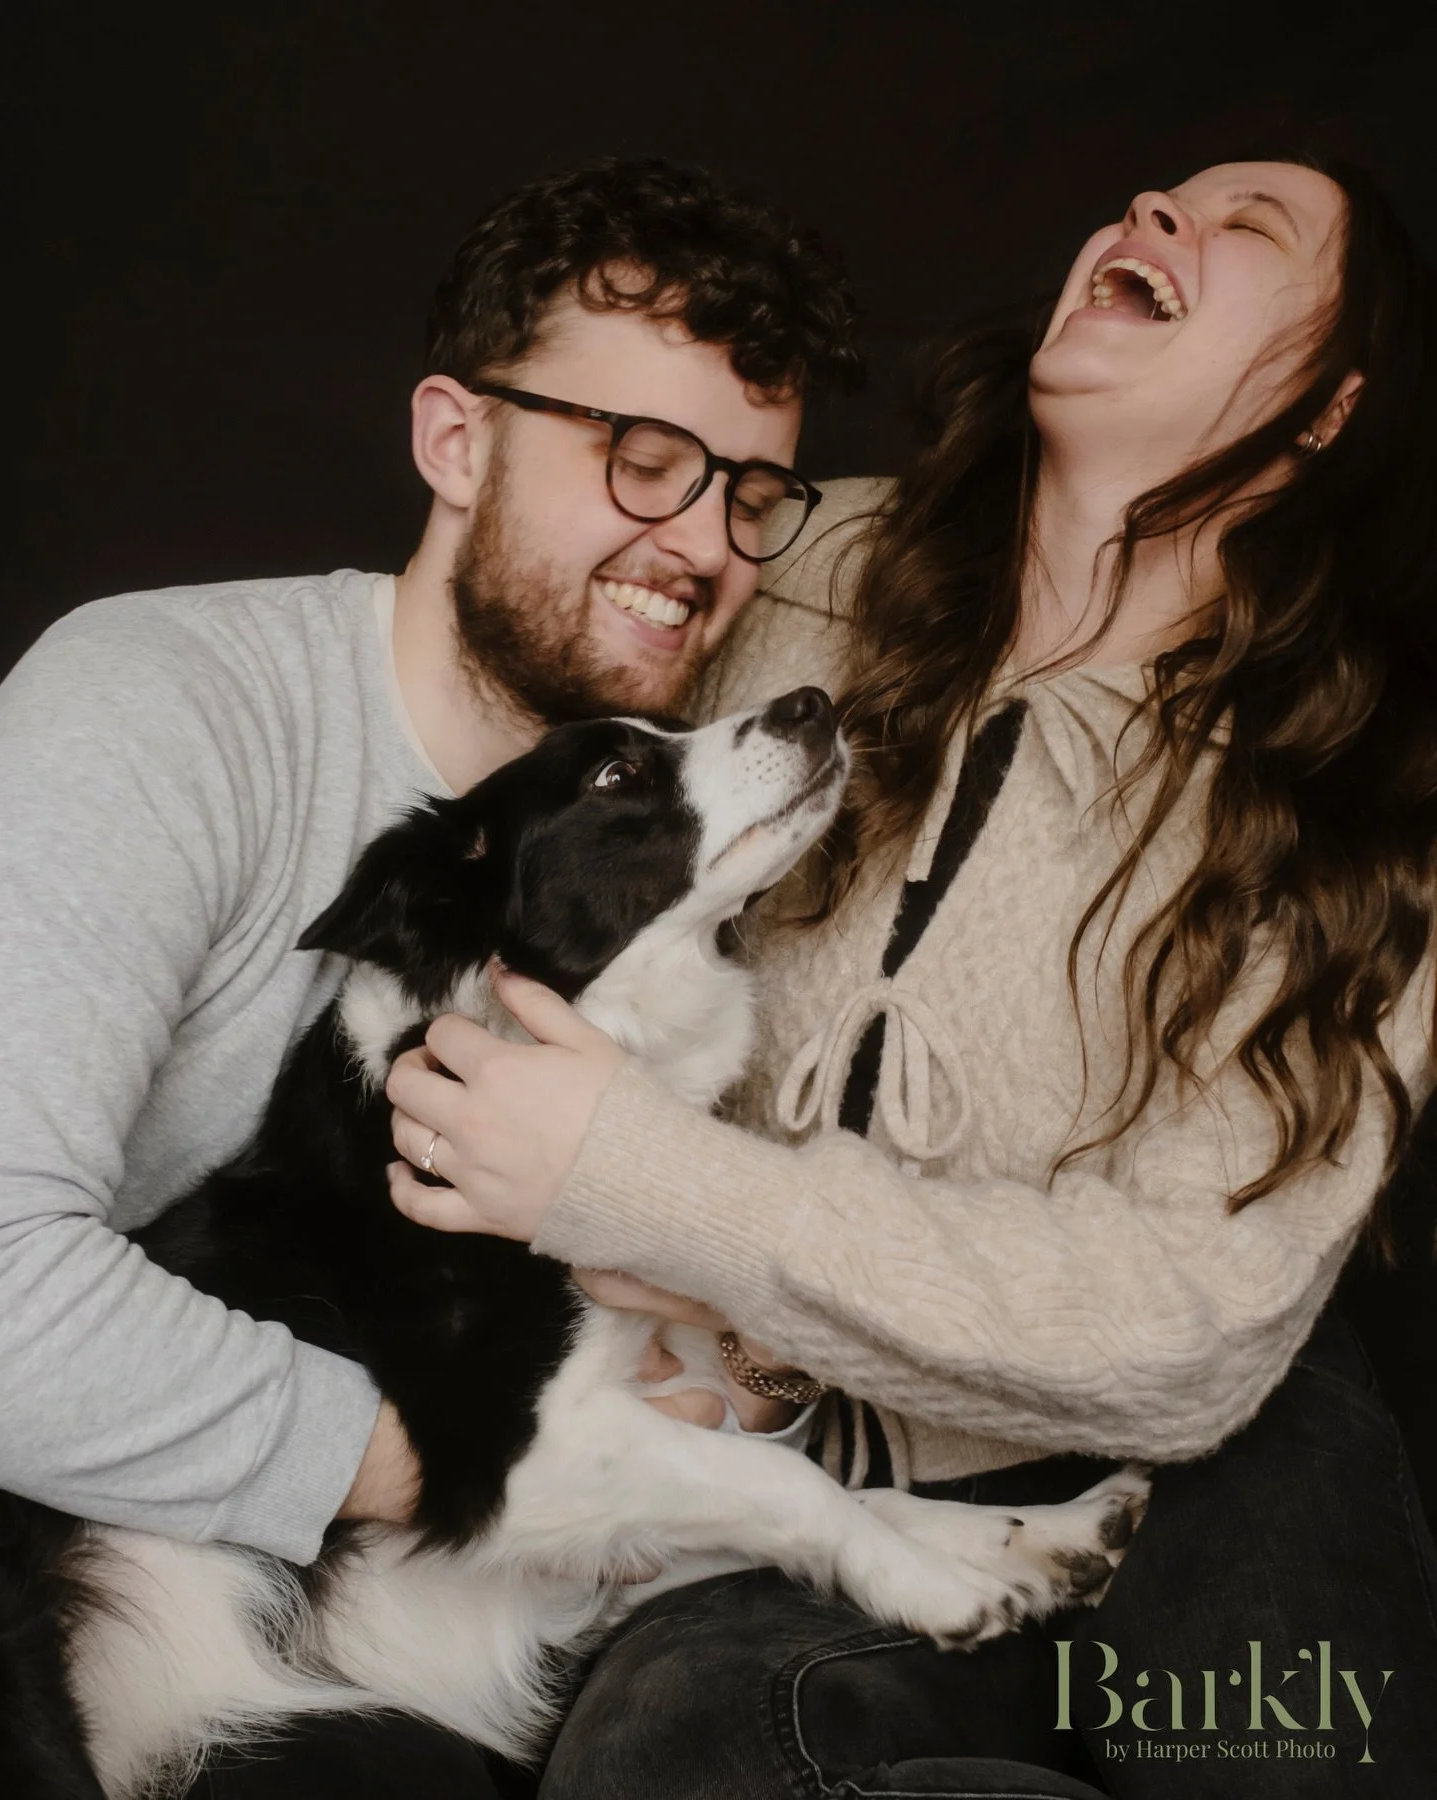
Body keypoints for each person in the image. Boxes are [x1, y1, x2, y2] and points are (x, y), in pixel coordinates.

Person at [382, 158, 1437, 1797]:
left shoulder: (1362, 789)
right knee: (676, 1751)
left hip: (1215, 1458)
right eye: (1161, 194)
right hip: (795, 1464)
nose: (1155, 211)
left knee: (1285, 1760)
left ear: (1331, 408)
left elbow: (1195, 1321)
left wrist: (656, 1189)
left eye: (1248, 226)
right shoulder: (795, 563)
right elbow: (528, 767)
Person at [0, 158, 861, 1798]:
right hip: (89, 1593)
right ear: (457, 442)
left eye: (752, 495)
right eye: (643, 459)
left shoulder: (690, 858)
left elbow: (692, 1360)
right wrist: (481, 1470)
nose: (702, 546)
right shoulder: (155, 710)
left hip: (407, 1646)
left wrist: (744, 1368)